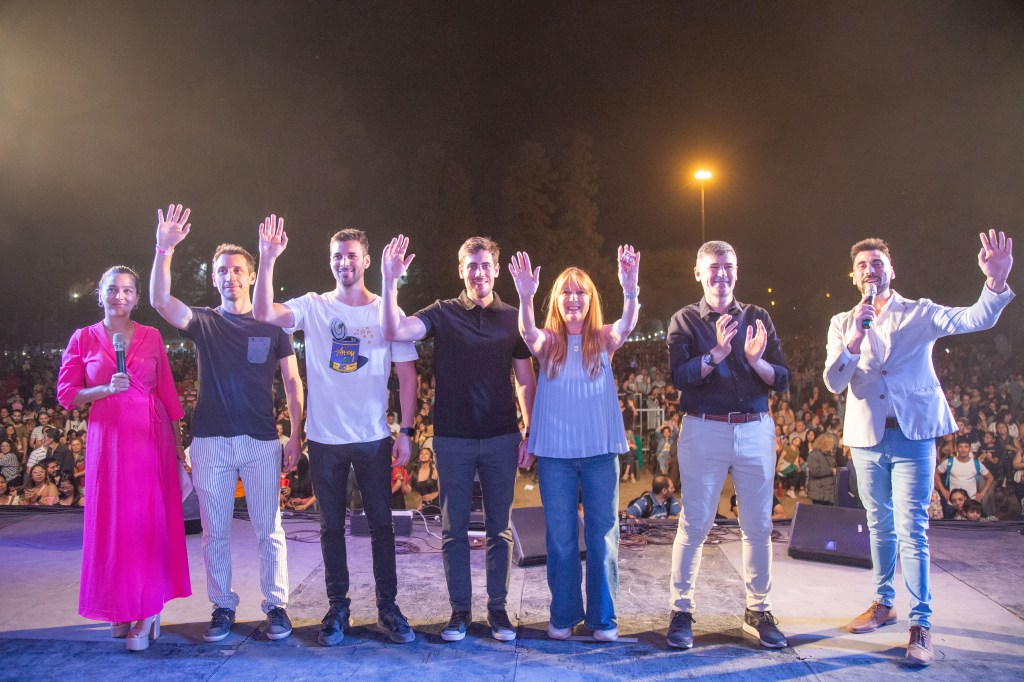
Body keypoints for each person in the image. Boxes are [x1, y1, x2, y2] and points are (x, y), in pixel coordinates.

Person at [823, 231, 1014, 666]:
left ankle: (920, 623)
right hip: (868, 438)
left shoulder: (920, 312)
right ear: (853, 277)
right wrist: (854, 340)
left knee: (912, 529)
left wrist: (996, 283)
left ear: (891, 270)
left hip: (913, 435)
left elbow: (974, 318)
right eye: (862, 265)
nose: (870, 270)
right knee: (878, 525)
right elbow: (834, 381)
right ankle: (883, 603)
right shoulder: (842, 322)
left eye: (878, 263)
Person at [254, 218, 418, 646]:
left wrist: (405, 430)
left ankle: (388, 607)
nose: (344, 263)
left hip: (373, 438)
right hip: (325, 439)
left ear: (366, 260)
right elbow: (264, 313)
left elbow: (407, 375)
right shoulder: (314, 305)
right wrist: (267, 259)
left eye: (351, 256)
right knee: (330, 529)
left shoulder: (386, 310)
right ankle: (337, 608)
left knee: (382, 526)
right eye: (337, 257)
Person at [150, 204, 304, 643]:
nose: (229, 276)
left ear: (251, 276)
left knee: (269, 529)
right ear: (214, 278)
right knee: (213, 532)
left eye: (237, 269)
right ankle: (222, 605)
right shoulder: (204, 321)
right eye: (222, 270)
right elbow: (160, 301)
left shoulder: (273, 324)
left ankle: (276, 606)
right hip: (210, 441)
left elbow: (292, 382)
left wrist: (296, 434)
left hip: (260, 440)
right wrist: (164, 249)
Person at [380, 234, 536, 643]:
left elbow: (524, 378)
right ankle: (460, 611)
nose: (478, 272)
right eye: (471, 266)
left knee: (500, 529)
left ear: (496, 270)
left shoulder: (513, 318)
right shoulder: (443, 312)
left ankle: (498, 610)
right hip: (453, 439)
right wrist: (390, 280)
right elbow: (394, 328)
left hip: (502, 437)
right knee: (454, 530)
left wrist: (530, 430)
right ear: (460, 270)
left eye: (485, 265)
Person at [56, 265, 190, 651]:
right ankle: (120, 605)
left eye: (128, 290)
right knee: (113, 524)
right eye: (113, 289)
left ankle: (147, 611)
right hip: (108, 442)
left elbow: (167, 393)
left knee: (144, 523)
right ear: (100, 294)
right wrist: (103, 388)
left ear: (136, 298)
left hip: (149, 439)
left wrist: (178, 448)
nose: (120, 296)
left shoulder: (152, 336)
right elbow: (67, 394)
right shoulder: (83, 338)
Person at [665, 240, 791, 650]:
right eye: (714, 267)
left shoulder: (758, 317)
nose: (722, 274)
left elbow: (782, 378)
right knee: (695, 523)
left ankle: (759, 609)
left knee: (758, 525)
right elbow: (680, 376)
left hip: (755, 428)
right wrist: (717, 353)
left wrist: (757, 362)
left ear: (737, 271)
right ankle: (681, 610)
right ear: (698, 273)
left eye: (729, 266)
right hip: (705, 428)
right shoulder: (685, 320)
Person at [509, 246, 639, 642]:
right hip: (556, 457)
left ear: (591, 299)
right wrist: (525, 297)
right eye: (565, 292)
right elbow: (527, 333)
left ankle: (603, 620)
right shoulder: (549, 342)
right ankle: (564, 615)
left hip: (601, 454)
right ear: (556, 301)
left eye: (580, 292)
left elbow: (626, 325)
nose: (573, 298)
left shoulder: (603, 339)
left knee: (603, 538)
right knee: (561, 540)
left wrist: (630, 289)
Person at [805, 432, 839, 505]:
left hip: (829, 490)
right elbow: (815, 471)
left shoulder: (828, 455)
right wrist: (831, 470)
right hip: (818, 491)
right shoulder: (813, 455)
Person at [410, 447, 440, 512]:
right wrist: (403, 482)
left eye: (426, 454)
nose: (423, 455)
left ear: (431, 458)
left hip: (437, 503)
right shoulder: (414, 472)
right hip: (424, 505)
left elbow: (441, 490)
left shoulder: (435, 470)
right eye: (421, 454)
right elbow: (410, 490)